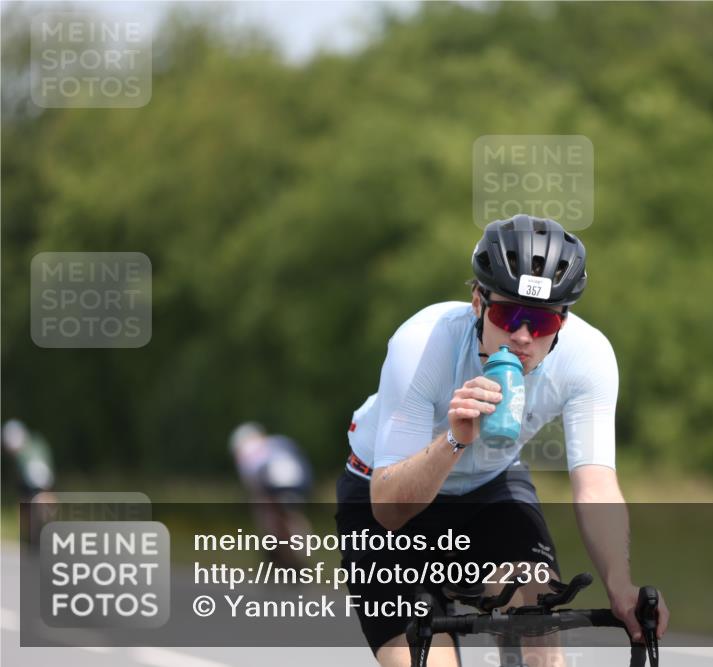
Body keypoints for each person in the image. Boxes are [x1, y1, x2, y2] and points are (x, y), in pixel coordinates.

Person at [336, 214, 669, 667]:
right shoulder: (422, 343)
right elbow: (389, 509)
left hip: (490, 487)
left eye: (541, 321)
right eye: (506, 313)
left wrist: (621, 585)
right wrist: (455, 438)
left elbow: (595, 485)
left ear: (563, 322)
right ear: (477, 302)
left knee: (536, 620)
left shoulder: (588, 358)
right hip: (387, 492)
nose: (521, 335)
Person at [229, 422, 314, 569]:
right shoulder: (280, 441)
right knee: (294, 515)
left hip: (271, 483)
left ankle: (273, 550)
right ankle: (303, 553)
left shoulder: (245, 454)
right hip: (300, 481)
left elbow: (254, 485)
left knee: (265, 511)